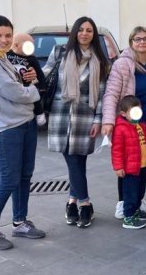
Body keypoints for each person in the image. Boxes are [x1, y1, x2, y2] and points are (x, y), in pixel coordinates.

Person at [0, 15, 45, 249]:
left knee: (24, 176)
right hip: (6, 128)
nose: (4, 40)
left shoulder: (0, 58)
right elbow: (15, 93)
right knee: (9, 179)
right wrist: (32, 89)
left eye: (8, 35)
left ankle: (20, 222)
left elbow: (16, 87)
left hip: (23, 122)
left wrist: (26, 81)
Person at [45, 16, 110, 228]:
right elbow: (46, 75)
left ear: (93, 35)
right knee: (72, 160)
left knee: (78, 161)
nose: (84, 33)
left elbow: (101, 94)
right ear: (75, 32)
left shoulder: (100, 60)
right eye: (81, 29)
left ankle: (72, 202)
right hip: (61, 114)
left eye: (89, 30)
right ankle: (85, 203)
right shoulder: (59, 52)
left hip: (85, 116)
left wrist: (99, 119)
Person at [102, 26, 146, 219]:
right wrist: (108, 121)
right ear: (131, 42)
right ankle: (124, 203)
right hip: (128, 123)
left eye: (145, 39)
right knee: (129, 164)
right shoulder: (122, 65)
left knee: (144, 161)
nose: (142, 42)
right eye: (137, 39)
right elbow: (112, 93)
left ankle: (138, 199)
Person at [111, 96, 146, 229]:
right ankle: (129, 217)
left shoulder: (140, 125)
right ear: (123, 113)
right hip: (130, 169)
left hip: (143, 166)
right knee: (130, 193)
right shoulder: (121, 128)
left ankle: (136, 211)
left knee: (139, 191)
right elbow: (117, 150)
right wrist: (118, 167)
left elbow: (145, 138)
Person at [7, 32, 46, 126]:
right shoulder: (6, 56)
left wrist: (42, 87)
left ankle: (40, 114)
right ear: (16, 45)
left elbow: (40, 75)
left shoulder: (32, 59)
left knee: (35, 98)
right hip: (12, 88)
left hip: (27, 87)